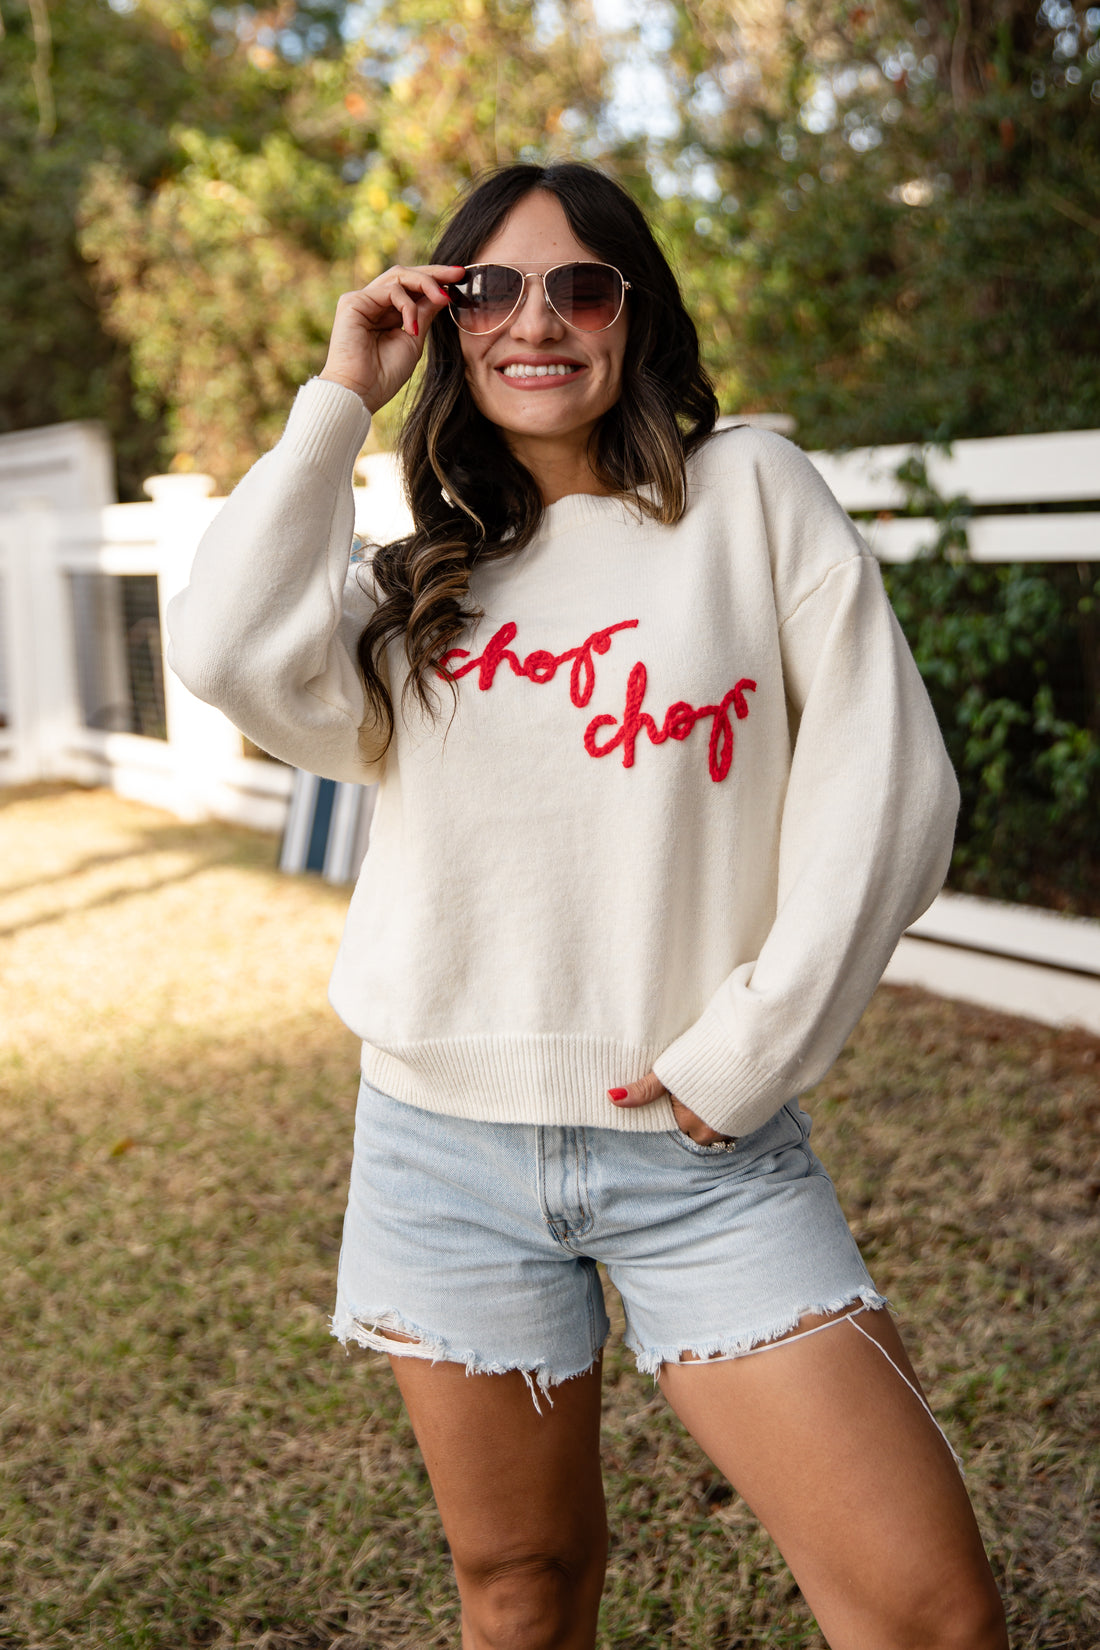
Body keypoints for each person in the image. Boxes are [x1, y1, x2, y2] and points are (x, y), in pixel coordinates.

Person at [167, 161, 1008, 1650]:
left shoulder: (749, 492)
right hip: (439, 1151)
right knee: (522, 1586)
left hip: (702, 1154)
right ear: (446, 324)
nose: (534, 319)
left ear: (636, 313)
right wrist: (338, 393)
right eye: (487, 288)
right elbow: (228, 647)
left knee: (929, 1608)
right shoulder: (421, 585)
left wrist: (744, 1055)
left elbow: (894, 790)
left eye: (581, 284)